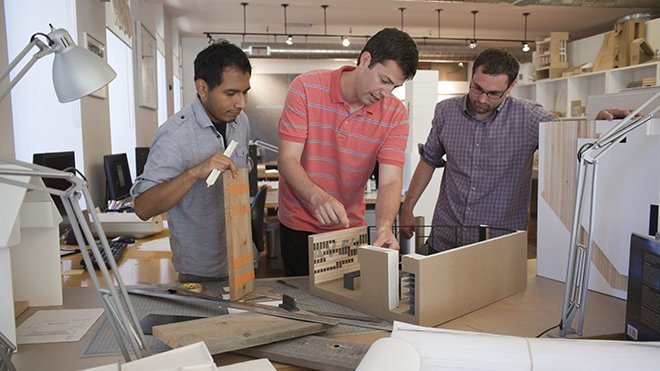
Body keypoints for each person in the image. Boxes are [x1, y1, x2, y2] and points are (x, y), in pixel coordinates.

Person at [399, 48, 634, 253]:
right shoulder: (445, 112)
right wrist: (407, 208)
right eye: (476, 88)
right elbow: (429, 160)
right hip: (445, 237)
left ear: (511, 86)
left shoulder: (530, 117)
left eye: (493, 94)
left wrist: (599, 124)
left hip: (498, 245)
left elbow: (573, 142)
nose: (481, 99)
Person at [277, 28, 419, 276]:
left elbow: (391, 180)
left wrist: (385, 225)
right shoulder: (306, 88)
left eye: (394, 87)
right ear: (365, 60)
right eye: (384, 80)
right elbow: (288, 160)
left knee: (345, 306)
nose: (385, 93)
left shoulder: (396, 114)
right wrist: (317, 197)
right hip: (298, 224)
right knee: (301, 307)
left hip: (349, 228)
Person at [131, 40, 251, 283]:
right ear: (202, 88)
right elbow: (143, 208)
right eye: (231, 93)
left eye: (245, 92)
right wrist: (193, 173)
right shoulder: (174, 135)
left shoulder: (241, 122)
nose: (241, 103)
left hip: (243, 258)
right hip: (200, 271)